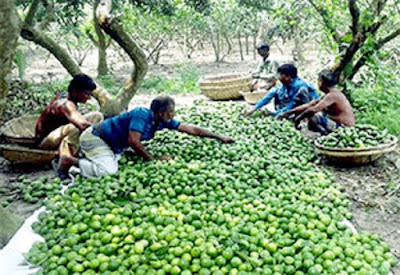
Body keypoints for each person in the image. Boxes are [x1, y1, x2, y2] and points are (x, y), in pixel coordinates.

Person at [59, 95, 235, 178]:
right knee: (109, 172)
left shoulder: (162, 121)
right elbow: (133, 141)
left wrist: (219, 137)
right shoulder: (142, 114)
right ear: (160, 112)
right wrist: (153, 159)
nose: (173, 115)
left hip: (114, 144)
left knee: (118, 160)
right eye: (170, 112)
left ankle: (92, 159)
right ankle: (69, 161)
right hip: (96, 138)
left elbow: (191, 129)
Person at [35, 74, 103, 179]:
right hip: (45, 141)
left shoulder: (66, 95)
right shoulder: (66, 104)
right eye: (86, 94)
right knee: (76, 127)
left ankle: (72, 151)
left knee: (97, 116)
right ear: (76, 91)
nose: (89, 98)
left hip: (55, 135)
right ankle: (65, 159)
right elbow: (82, 125)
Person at [278, 70, 355, 134]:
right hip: (337, 123)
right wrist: (287, 113)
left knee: (312, 117)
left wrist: (298, 118)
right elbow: (309, 105)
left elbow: (313, 109)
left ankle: (325, 134)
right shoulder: (329, 95)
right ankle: (326, 134)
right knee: (313, 115)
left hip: (343, 128)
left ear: (321, 82)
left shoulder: (333, 95)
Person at [245, 64, 320, 117]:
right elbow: (268, 96)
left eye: (281, 75)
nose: (279, 77)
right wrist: (254, 108)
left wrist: (275, 114)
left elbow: (292, 104)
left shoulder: (300, 86)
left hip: (307, 107)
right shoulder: (282, 84)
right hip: (289, 106)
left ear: (288, 76)